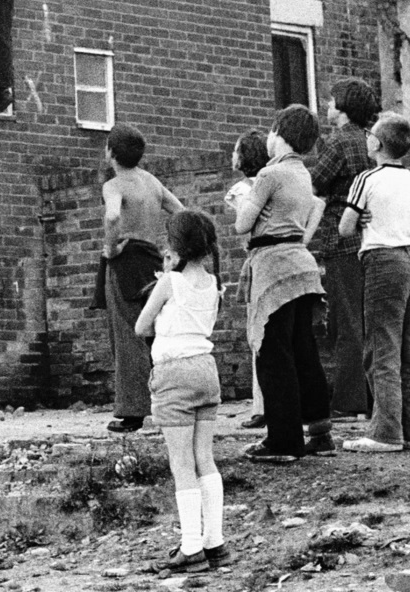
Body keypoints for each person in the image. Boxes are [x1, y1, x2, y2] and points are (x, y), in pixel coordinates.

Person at [233, 104, 335, 462]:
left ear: (278, 132)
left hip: (273, 265)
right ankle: (320, 432)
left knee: (274, 356)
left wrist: (244, 199)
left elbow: (242, 224)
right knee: (304, 351)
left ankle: (283, 440)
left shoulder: (269, 176)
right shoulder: (302, 174)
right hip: (301, 265)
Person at [135, 211, 228, 573]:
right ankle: (215, 541)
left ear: (175, 247)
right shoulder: (214, 282)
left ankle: (190, 547)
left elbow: (142, 326)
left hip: (174, 373)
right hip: (206, 370)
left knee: (181, 463)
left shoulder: (169, 282)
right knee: (205, 457)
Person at [338, 113, 410, 452]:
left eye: (369, 135)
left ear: (377, 143)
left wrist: (358, 216)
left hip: (383, 262)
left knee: (381, 348)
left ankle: (385, 432)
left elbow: (345, 228)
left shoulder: (367, 178)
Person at [98, 125, 186, 433]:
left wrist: (110, 248)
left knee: (127, 335)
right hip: (152, 260)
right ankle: (169, 402)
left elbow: (112, 217)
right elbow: (181, 212)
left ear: (111, 152)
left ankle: (132, 411)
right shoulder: (152, 182)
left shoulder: (114, 185)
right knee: (155, 333)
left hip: (125, 262)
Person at [307, 79, 381, 419]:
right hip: (371, 239)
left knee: (345, 321)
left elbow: (312, 185)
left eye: (332, 99)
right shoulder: (372, 141)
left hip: (341, 240)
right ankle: (370, 395)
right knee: (369, 321)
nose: (327, 104)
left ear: (343, 107)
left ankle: (349, 400)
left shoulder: (337, 143)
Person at [223, 128, 269, 430]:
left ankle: (262, 406)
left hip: (258, 260)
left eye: (236, 150)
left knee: (258, 332)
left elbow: (245, 226)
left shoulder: (241, 191)